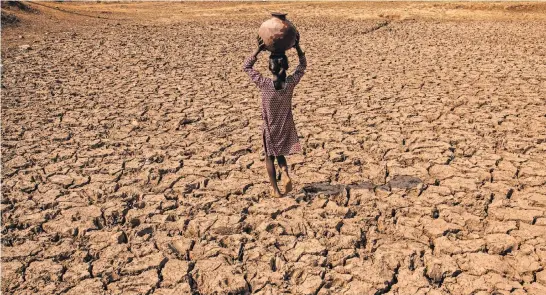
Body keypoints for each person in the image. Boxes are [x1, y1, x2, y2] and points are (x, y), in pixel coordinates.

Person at [243, 34, 307, 198]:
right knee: (280, 153)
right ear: (285, 67)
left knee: (269, 156)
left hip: (270, 127)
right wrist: (298, 48)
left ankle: (275, 189)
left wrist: (258, 50)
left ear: (271, 68)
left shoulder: (264, 84)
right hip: (285, 126)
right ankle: (285, 173)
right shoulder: (290, 84)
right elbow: (302, 66)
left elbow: (247, 67)